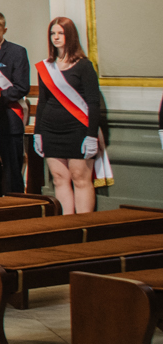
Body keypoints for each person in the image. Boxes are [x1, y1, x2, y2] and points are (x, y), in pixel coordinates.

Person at [37, 16, 108, 215]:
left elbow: (93, 102)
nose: (56, 37)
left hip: (78, 129)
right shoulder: (46, 67)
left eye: (61, 33)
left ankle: (84, 226)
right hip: (51, 130)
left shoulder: (84, 66)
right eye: (53, 33)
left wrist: (91, 135)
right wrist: (38, 133)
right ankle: (66, 225)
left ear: (71, 36)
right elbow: (43, 102)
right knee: (59, 179)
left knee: (80, 178)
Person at [0, 12, 30, 193]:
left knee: (12, 168)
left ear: (4, 30)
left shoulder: (17, 52)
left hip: (9, 116)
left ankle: (16, 205)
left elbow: (21, 87)